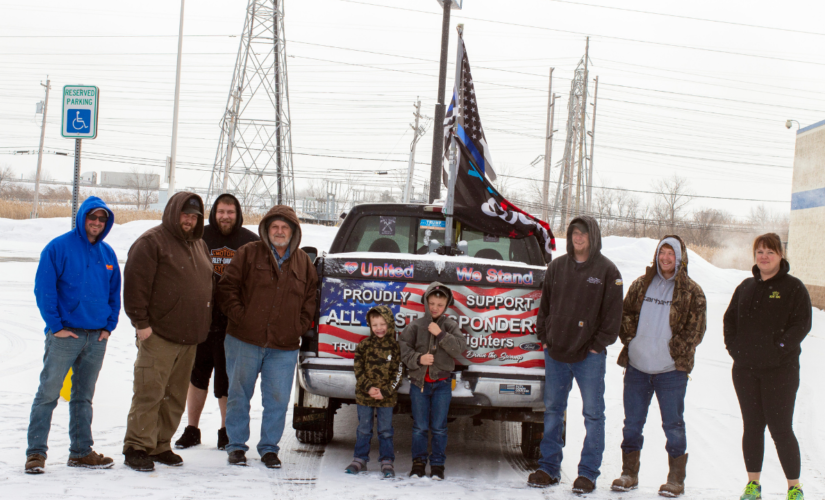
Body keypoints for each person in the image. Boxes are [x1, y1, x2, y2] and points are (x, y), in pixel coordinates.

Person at [216, 205, 318, 468]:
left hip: (283, 346)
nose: (280, 231)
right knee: (238, 395)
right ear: (266, 229)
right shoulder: (248, 253)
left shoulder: (303, 263)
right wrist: (242, 317)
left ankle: (269, 448)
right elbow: (227, 288)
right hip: (243, 340)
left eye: (285, 227)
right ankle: (236, 446)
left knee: (277, 400)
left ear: (294, 232)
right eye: (275, 226)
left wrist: (298, 326)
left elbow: (311, 299)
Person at [528, 216, 624, 493]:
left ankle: (588, 473)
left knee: (593, 414)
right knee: (553, 411)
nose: (578, 238)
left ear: (593, 236)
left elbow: (613, 315)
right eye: (574, 233)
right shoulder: (556, 267)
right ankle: (548, 468)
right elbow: (544, 306)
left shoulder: (608, 271)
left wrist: (597, 344)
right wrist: (545, 337)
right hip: (556, 353)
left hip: (589, 357)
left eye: (583, 233)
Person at [26, 197, 121, 474]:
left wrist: (109, 326)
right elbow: (44, 289)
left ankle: (81, 452)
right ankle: (36, 454)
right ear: (82, 218)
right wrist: (56, 327)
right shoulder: (58, 248)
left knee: (83, 397)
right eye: (92, 218)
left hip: (96, 339)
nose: (97, 223)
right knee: (48, 394)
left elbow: (115, 294)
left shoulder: (108, 254)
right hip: (65, 336)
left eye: (102, 219)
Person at [122, 192, 214, 472]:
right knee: (149, 392)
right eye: (185, 214)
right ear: (174, 213)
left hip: (189, 338)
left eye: (194, 216)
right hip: (158, 334)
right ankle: (137, 446)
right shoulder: (152, 242)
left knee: (174, 396)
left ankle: (161, 444)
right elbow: (135, 286)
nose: (189, 220)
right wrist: (141, 325)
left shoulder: (199, 244)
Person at [611, 236, 707, 496]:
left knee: (674, 425)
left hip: (671, 372)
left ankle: (676, 479)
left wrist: (672, 351)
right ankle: (629, 473)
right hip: (637, 369)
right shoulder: (641, 285)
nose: (665, 258)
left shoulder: (692, 292)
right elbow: (625, 314)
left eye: (671, 254)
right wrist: (632, 342)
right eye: (662, 252)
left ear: (680, 258)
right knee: (632, 424)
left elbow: (696, 330)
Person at [724, 233, 811, 500]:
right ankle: (753, 485)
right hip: (746, 371)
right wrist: (735, 349)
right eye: (760, 251)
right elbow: (730, 322)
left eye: (770, 252)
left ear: (780, 255)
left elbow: (801, 325)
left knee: (781, 428)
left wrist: (779, 349)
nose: (764, 256)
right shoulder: (746, 286)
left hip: (780, 372)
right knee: (752, 427)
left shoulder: (793, 287)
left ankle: (794, 487)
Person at [175, 194, 258, 451]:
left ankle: (225, 430)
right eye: (221, 211)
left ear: (238, 213)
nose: (225, 216)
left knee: (227, 379)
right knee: (197, 376)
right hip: (200, 320)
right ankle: (192, 428)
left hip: (232, 324)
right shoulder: (199, 236)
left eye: (230, 212)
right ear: (214, 213)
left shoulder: (250, 241)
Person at [398, 282, 467, 481]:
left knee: (439, 427)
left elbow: (458, 348)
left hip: (442, 385)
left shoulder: (449, 326)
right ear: (426, 303)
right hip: (419, 385)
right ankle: (418, 463)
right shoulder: (416, 326)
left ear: (446, 306)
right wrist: (418, 359)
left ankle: (437, 465)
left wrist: (441, 334)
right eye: (432, 303)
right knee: (420, 427)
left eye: (440, 304)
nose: (435, 307)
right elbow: (403, 348)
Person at [344, 305, 403, 478]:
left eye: (382, 324)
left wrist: (385, 391)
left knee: (385, 430)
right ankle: (360, 459)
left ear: (390, 324)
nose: (379, 328)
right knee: (364, 428)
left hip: (386, 398)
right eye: (374, 324)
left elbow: (398, 374)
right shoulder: (364, 345)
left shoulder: (395, 348)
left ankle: (387, 461)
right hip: (365, 396)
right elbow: (358, 369)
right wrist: (368, 387)